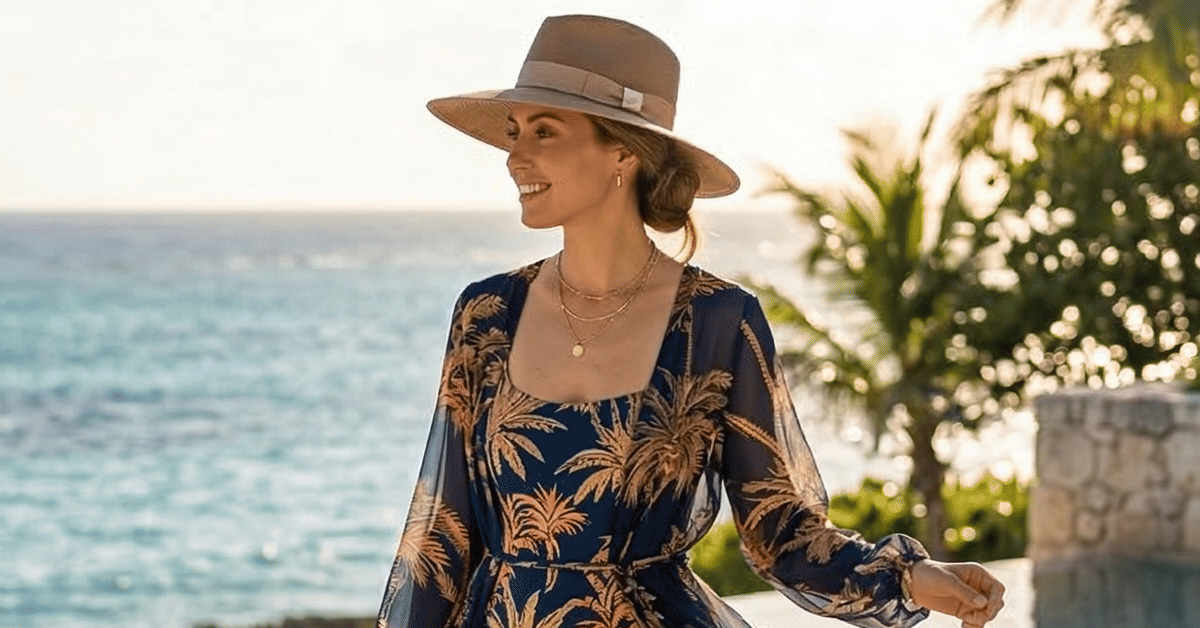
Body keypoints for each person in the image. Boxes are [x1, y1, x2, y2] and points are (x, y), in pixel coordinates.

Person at [378, 14, 1005, 628]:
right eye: (514, 132)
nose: (514, 157)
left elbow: (778, 530)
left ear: (622, 149)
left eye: (543, 132)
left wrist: (908, 578)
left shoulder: (717, 323)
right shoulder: (486, 316)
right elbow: (444, 534)